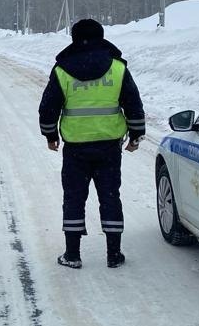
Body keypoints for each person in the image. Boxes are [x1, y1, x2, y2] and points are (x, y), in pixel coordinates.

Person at [38, 18, 145, 268]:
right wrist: (136, 135)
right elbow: (133, 104)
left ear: (74, 38)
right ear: (101, 36)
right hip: (109, 146)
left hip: (76, 148)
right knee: (110, 197)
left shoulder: (62, 70)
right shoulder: (117, 68)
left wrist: (51, 136)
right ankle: (114, 254)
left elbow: (47, 109)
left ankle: (73, 255)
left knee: (74, 198)